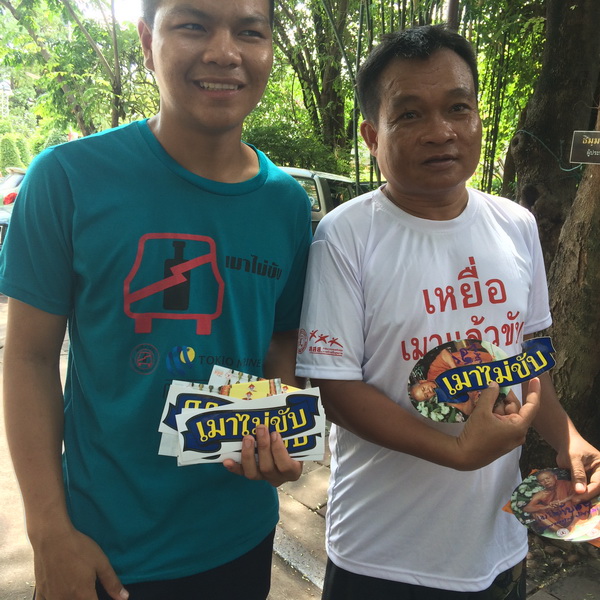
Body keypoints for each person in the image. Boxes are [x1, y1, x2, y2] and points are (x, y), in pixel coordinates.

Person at [0, 1, 312, 599]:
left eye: (249, 31)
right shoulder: (67, 178)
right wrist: (48, 531)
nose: (224, 52)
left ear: (269, 50)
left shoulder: (287, 205)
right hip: (105, 551)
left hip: (240, 538)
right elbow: (30, 358)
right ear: (147, 43)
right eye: (194, 25)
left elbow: (281, 339)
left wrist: (282, 432)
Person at [296, 24, 600, 599]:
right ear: (372, 135)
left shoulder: (516, 224)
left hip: (496, 543)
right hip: (381, 555)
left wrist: (567, 437)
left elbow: (529, 353)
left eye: (458, 108)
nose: (440, 132)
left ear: (479, 119)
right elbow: (337, 389)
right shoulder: (346, 236)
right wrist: (457, 453)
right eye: (409, 114)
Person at [523, 470, 590, 535]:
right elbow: (526, 508)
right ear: (539, 483)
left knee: (574, 501)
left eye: (548, 478)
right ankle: (560, 531)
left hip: (572, 514)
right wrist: (546, 507)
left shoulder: (565, 484)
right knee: (536, 511)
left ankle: (574, 525)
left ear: (555, 477)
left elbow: (578, 494)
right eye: (542, 481)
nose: (546, 481)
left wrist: (563, 501)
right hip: (556, 518)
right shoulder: (541, 494)